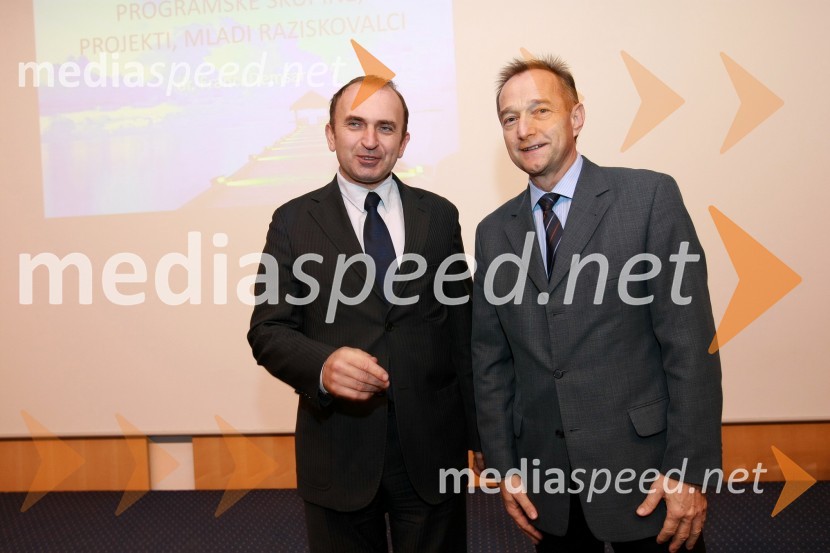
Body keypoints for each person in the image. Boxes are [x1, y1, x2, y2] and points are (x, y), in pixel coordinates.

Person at [472, 56, 723, 552]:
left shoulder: (648, 197)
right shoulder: (493, 232)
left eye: (540, 110)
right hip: (547, 484)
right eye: (509, 118)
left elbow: (691, 346)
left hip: (647, 474)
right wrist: (503, 468)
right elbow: (490, 362)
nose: (524, 129)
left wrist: (687, 470)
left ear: (577, 117)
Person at [248, 75, 482, 553]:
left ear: (404, 142)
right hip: (339, 450)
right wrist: (322, 365)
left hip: (433, 451)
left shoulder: (440, 217)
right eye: (355, 124)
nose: (370, 140)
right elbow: (268, 329)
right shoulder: (292, 221)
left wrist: (483, 437)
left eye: (385, 127)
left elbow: (464, 332)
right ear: (330, 134)